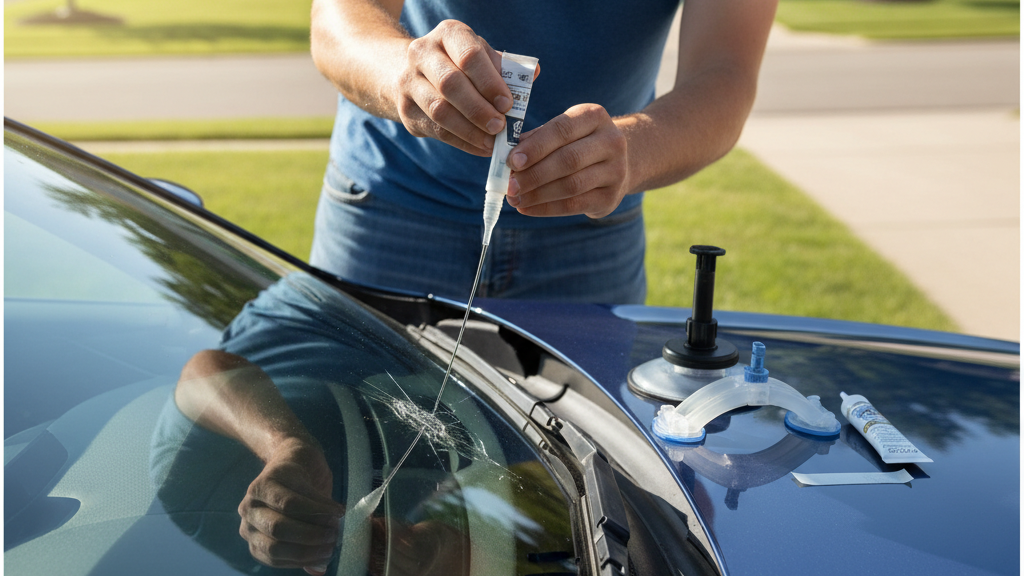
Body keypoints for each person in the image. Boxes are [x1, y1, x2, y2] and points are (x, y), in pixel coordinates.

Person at [309, 0, 777, 304]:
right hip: (387, 211)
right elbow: (337, 22)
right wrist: (404, 76)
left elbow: (727, 73)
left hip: (590, 239)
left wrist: (633, 150)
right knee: (353, 427)